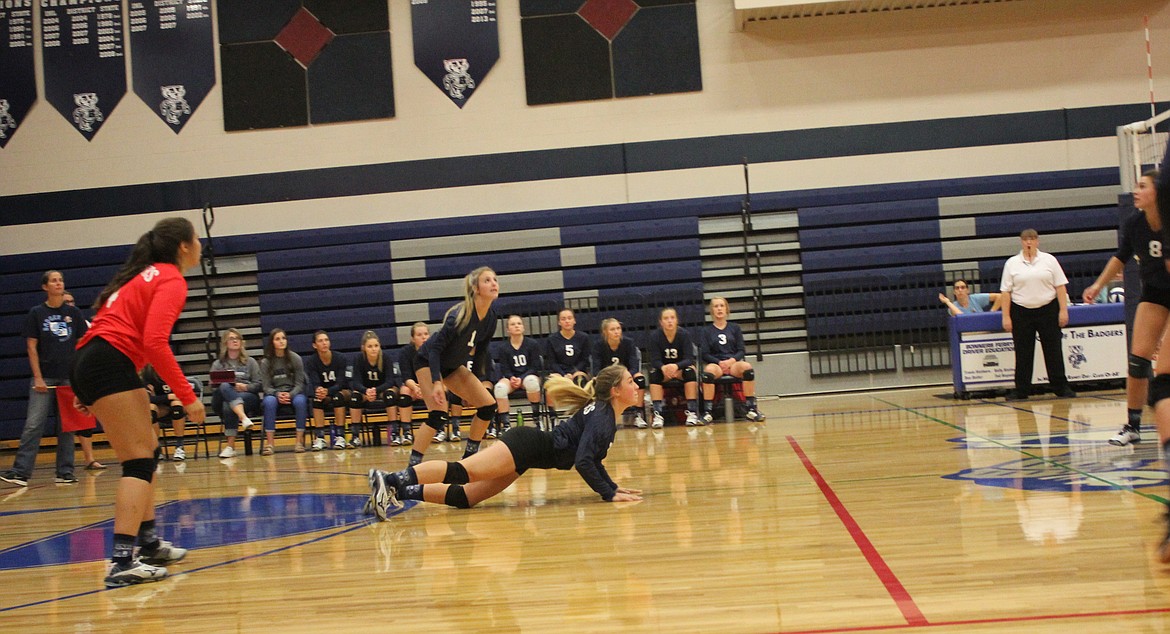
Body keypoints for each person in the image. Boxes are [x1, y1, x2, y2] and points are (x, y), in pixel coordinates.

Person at [68, 217, 204, 587]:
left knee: (147, 452)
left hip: (94, 359)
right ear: (183, 247)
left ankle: (148, 544)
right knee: (139, 460)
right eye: (197, 239)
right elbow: (156, 342)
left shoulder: (143, 275)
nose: (201, 245)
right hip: (107, 362)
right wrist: (187, 397)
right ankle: (121, 561)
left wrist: (86, 386)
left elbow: (128, 336)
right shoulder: (170, 279)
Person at [367, 364, 644, 520]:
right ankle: (390, 479)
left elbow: (592, 459)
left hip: (529, 455)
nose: (637, 385)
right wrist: (608, 494)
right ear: (616, 391)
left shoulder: (605, 414)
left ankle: (399, 493)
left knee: (467, 497)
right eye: (631, 381)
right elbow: (583, 461)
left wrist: (614, 487)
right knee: (462, 471)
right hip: (525, 445)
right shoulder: (602, 417)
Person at [1083, 170, 1170, 445]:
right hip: (1155, 292)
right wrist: (1097, 285)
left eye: (1142, 186)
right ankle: (1132, 426)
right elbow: (1121, 257)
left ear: (1157, 192)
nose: (1136, 191)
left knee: (1165, 370)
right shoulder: (1134, 223)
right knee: (1138, 360)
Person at [0, 271, 89, 487]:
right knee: (34, 424)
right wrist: (38, 377)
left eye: (60, 280)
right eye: (54, 280)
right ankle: (21, 472)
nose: (58, 283)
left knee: (67, 427)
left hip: (68, 378)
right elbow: (31, 347)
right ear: (45, 287)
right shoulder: (37, 313)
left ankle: (65, 471)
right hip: (44, 378)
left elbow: (82, 345)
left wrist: (78, 378)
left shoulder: (74, 313)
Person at [408, 266, 499, 466]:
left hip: (453, 366)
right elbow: (434, 350)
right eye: (487, 280)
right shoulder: (458, 316)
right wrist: (437, 382)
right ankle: (412, 467)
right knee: (439, 413)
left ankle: (468, 459)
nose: (494, 283)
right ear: (476, 288)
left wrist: (476, 382)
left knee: (488, 406)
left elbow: (481, 352)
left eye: (495, 279)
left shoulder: (491, 318)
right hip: (428, 361)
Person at [1000, 228, 1076, 401]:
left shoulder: (1049, 260)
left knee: (1053, 350)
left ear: (1037, 241)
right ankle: (1021, 390)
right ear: (1021, 241)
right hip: (1021, 311)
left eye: (1032, 239)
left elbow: (1060, 286)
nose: (1029, 242)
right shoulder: (1012, 263)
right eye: (1026, 239)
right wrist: (1006, 316)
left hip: (1048, 309)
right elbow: (1005, 292)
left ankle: (1060, 387)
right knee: (1023, 352)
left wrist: (1063, 310)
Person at [699, 297, 764, 423]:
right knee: (708, 371)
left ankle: (751, 408)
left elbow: (741, 350)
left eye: (722, 306)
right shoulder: (706, 331)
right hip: (716, 364)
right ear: (711, 311)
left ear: (726, 309)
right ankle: (708, 412)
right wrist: (719, 363)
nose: (719, 309)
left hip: (733, 363)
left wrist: (731, 361)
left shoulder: (735, 328)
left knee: (747, 368)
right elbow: (705, 354)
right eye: (716, 306)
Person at [63, 290, 105, 470]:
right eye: (66, 302)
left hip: (79, 372)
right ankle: (64, 466)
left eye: (72, 301)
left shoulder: (84, 323)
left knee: (84, 417)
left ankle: (89, 458)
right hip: (57, 374)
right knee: (63, 422)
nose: (70, 304)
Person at [210, 328, 261, 459]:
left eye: (237, 338)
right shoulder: (218, 364)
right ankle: (243, 418)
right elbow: (213, 387)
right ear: (225, 343)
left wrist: (244, 387)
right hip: (222, 397)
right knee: (225, 386)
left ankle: (230, 447)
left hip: (247, 396)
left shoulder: (250, 362)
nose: (235, 341)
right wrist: (229, 388)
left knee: (229, 405)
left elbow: (259, 385)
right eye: (231, 339)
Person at [647, 307, 702, 427]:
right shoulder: (655, 336)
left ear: (677, 320)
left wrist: (676, 366)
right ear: (661, 322)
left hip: (680, 370)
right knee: (653, 375)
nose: (669, 321)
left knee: (690, 372)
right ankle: (658, 414)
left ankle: (692, 412)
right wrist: (663, 368)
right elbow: (654, 360)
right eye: (666, 318)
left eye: (672, 318)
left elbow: (689, 358)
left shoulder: (684, 335)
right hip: (664, 372)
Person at [491, 315, 544, 436]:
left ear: (523, 327)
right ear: (508, 330)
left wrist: (522, 378)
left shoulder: (532, 344)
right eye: (513, 324)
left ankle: (537, 419)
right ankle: (506, 425)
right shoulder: (503, 348)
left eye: (519, 323)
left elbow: (535, 367)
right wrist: (512, 378)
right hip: (512, 379)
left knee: (532, 382)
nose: (516, 326)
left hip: (528, 376)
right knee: (499, 388)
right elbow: (504, 368)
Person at [259, 328, 307, 454]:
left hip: (293, 392)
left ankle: (298, 442)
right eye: (277, 339)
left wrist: (290, 395)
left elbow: (299, 383)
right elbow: (266, 386)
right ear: (272, 342)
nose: (281, 341)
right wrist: (277, 394)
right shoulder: (266, 362)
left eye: (283, 338)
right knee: (269, 402)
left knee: (301, 401)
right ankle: (270, 444)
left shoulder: (295, 358)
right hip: (275, 394)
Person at [592, 318, 647, 428]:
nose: (616, 331)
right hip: (608, 380)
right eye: (612, 329)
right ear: (605, 332)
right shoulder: (598, 346)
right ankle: (600, 416)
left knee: (640, 379)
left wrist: (624, 378)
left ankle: (638, 414)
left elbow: (634, 366)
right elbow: (596, 369)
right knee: (594, 381)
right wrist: (611, 379)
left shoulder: (628, 343)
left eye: (618, 328)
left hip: (627, 377)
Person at [348, 330, 397, 449]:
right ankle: (355, 436)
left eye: (376, 346)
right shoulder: (359, 359)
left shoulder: (386, 358)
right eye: (370, 346)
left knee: (390, 394)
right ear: (363, 348)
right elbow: (356, 382)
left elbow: (390, 381)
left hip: (383, 390)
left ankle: (394, 434)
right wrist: (366, 391)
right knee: (354, 397)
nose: (373, 349)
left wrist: (376, 390)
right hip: (366, 391)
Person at [141, 364, 201, 461]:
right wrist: (169, 396)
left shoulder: (174, 370)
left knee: (176, 404)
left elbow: (182, 394)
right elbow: (147, 399)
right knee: (150, 408)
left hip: (177, 406)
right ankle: (156, 448)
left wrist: (160, 397)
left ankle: (179, 446)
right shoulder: (147, 375)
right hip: (161, 408)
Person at [304, 330, 351, 452]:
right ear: (315, 345)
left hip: (342, 391)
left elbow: (341, 383)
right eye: (320, 341)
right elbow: (314, 383)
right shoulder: (311, 362)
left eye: (326, 340)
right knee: (316, 398)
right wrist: (319, 390)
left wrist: (327, 391)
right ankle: (320, 437)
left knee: (338, 397)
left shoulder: (340, 358)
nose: (324, 343)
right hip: (325, 393)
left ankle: (340, 436)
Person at [392, 323, 429, 446]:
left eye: (426, 334)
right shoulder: (406, 352)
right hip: (413, 386)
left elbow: (438, 374)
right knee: (405, 391)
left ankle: (440, 429)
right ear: (413, 338)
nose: (423, 337)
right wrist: (416, 388)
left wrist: (425, 388)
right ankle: (406, 431)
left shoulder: (435, 350)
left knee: (442, 389)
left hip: (430, 386)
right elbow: (406, 376)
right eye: (419, 335)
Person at [544, 307, 591, 388]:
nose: (567, 321)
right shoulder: (552, 339)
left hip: (578, 371)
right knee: (551, 383)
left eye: (569, 318)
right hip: (559, 372)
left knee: (580, 379)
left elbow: (584, 360)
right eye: (563, 319)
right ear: (559, 322)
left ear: (574, 320)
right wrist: (563, 374)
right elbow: (552, 362)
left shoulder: (583, 337)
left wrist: (572, 373)